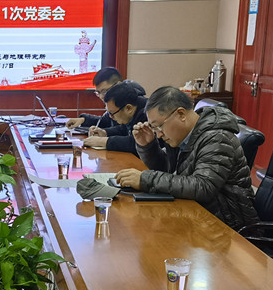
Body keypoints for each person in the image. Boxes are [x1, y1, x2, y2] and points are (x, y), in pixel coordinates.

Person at [115, 85, 258, 231]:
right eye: (154, 128)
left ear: (181, 114)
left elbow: (203, 186)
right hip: (199, 215)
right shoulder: (183, 135)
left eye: (159, 126)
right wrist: (148, 147)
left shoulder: (217, 137)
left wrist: (146, 179)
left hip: (228, 225)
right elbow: (167, 171)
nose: (158, 134)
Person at [82, 81, 148, 151]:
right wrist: (105, 132)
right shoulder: (132, 109)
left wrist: (103, 141)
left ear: (128, 108)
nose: (110, 117)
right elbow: (124, 129)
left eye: (112, 113)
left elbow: (138, 142)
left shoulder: (147, 114)